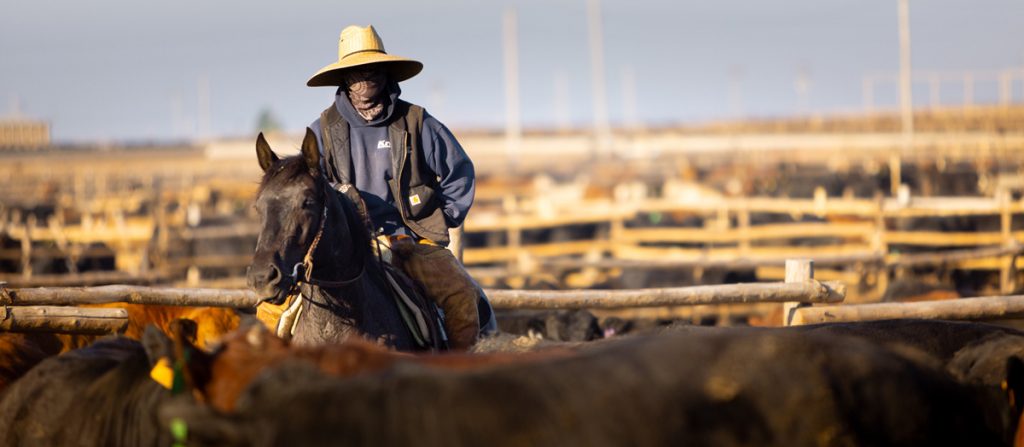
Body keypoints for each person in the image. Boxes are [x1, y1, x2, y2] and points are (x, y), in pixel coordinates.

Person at [306, 24, 491, 350]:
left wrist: (437, 221)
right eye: (356, 71)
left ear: (387, 71)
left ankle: (460, 372)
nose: (365, 78)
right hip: (347, 250)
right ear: (344, 79)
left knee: (462, 294)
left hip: (411, 244)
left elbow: (459, 173)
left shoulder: (417, 122)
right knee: (273, 308)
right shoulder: (321, 132)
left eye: (372, 69)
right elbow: (306, 193)